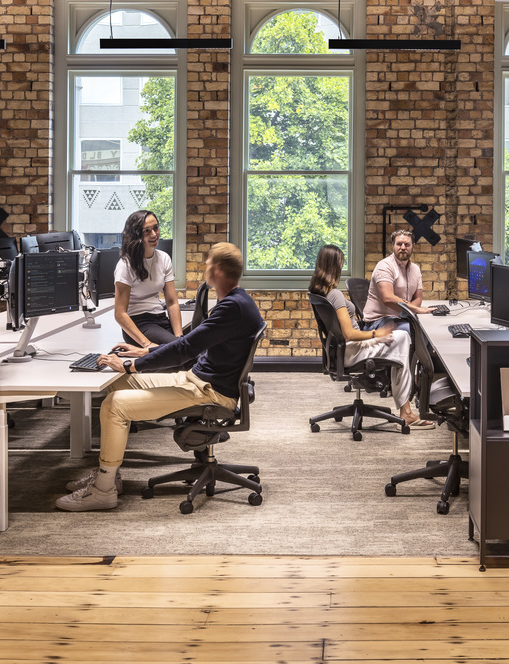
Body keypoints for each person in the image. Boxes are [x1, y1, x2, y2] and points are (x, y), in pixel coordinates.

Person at [56, 242, 263, 511]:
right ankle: (111, 475)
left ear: (218, 269)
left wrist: (133, 364)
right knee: (117, 382)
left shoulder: (232, 308)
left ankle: (103, 491)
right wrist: (145, 350)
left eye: (209, 261)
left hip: (211, 392)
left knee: (114, 405)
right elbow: (189, 346)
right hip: (197, 380)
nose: (205, 266)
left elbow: (185, 349)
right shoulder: (237, 301)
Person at [310, 244, 433, 428]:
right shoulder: (334, 294)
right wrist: (376, 333)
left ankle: (404, 404)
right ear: (334, 266)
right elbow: (349, 334)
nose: (343, 267)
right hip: (353, 350)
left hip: (343, 351)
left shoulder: (318, 291)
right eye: (341, 263)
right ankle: (406, 411)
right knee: (403, 338)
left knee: (399, 341)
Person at [113, 210, 181, 348]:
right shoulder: (125, 265)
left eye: (155, 228)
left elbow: (172, 302)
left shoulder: (164, 258)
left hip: (160, 319)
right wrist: (147, 344)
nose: (154, 234)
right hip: (139, 324)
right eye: (147, 231)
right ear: (136, 235)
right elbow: (120, 313)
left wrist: (180, 337)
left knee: (188, 347)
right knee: (182, 351)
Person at [362, 229, 432, 333]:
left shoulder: (415, 269)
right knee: (414, 331)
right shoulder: (385, 266)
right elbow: (388, 298)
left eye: (407, 244)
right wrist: (416, 309)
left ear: (413, 245)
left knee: (427, 328)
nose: (403, 247)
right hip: (378, 321)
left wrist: (408, 309)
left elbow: (418, 298)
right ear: (393, 245)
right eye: (399, 244)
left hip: (401, 318)